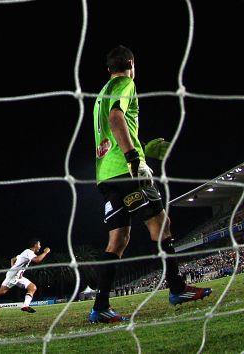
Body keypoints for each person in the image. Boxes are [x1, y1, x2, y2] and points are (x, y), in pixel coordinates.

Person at [89, 45, 211, 325]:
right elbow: (116, 118)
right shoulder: (125, 82)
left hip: (105, 177)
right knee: (161, 225)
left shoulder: (101, 94)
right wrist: (134, 157)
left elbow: (111, 128)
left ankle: (100, 306)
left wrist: (142, 146)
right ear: (131, 64)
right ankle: (178, 289)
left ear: (108, 69)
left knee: (118, 238)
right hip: (127, 171)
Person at [0, 239, 50, 314]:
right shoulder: (29, 252)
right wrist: (45, 252)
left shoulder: (26, 252)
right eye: (39, 245)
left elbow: (12, 259)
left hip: (17, 276)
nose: (40, 247)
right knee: (2, 291)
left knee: (32, 287)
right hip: (14, 275)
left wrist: (14, 269)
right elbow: (37, 260)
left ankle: (25, 306)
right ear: (35, 245)